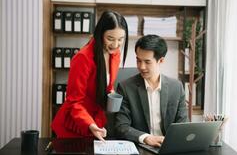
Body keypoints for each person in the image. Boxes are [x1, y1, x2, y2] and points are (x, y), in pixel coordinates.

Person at [51, 10, 128, 141]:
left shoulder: (115, 53)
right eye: (110, 39)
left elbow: (107, 83)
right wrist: (90, 124)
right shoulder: (83, 58)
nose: (115, 45)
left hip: (96, 120)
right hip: (75, 124)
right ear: (100, 34)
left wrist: (111, 92)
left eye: (120, 39)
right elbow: (74, 101)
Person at [115, 35, 188, 147]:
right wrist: (147, 138)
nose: (141, 67)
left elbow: (183, 126)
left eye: (147, 62)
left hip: (168, 148)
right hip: (140, 149)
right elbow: (121, 126)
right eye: (138, 60)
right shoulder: (125, 87)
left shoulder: (176, 87)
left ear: (161, 60)